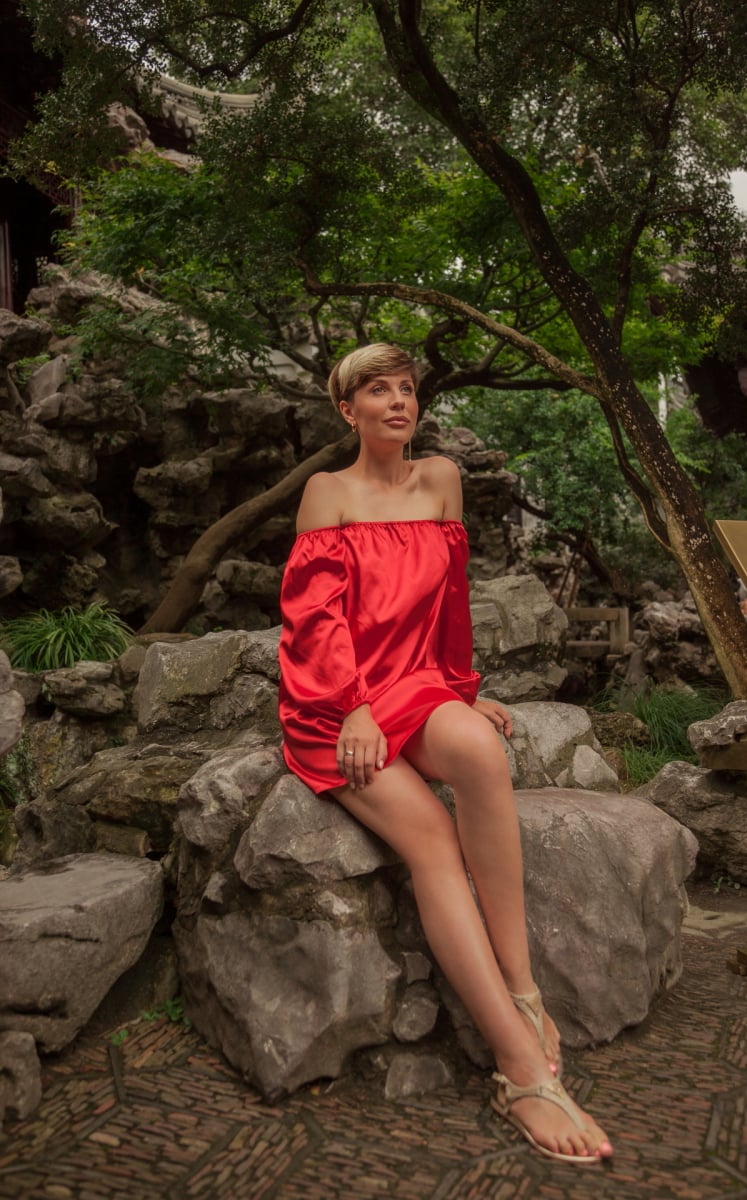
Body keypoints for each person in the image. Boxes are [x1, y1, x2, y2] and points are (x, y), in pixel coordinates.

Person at [278, 343, 613, 1164]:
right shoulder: (327, 493)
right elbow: (314, 622)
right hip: (336, 702)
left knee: (480, 750)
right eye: (377, 391)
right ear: (346, 410)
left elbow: (450, 604)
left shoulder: (442, 482)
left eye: (406, 389)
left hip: (416, 685)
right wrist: (351, 708)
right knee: (430, 836)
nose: (398, 402)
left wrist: (460, 689)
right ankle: (519, 1064)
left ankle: (525, 989)